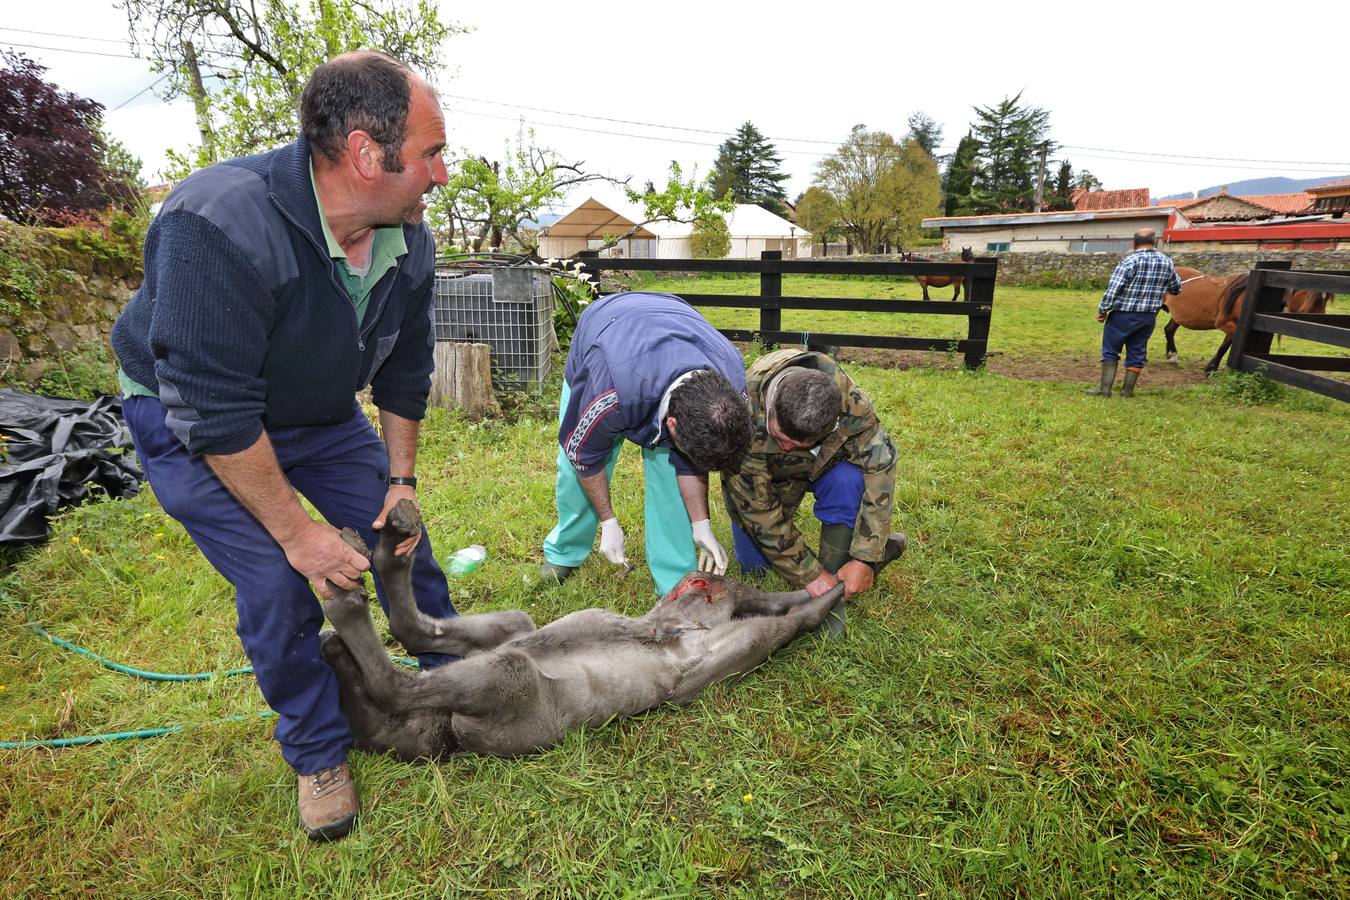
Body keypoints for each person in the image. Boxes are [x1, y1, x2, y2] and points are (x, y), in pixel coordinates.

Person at [110, 52, 453, 842]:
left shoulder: (410, 244)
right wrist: (298, 534)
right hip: (193, 424)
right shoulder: (215, 224)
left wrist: (399, 480)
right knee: (274, 579)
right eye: (431, 153)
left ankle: (449, 672)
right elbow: (216, 411)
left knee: (402, 534)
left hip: (316, 412)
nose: (440, 174)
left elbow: (405, 368)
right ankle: (316, 750)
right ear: (369, 155)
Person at [540, 291, 752, 594]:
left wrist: (700, 525)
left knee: (670, 480)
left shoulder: (731, 385)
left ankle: (675, 582)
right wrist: (608, 521)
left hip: (671, 321)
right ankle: (566, 549)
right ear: (672, 424)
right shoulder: (608, 390)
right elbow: (583, 455)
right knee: (576, 472)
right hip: (607, 328)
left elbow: (694, 457)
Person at [722, 349, 904, 636]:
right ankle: (826, 581)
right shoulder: (742, 411)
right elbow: (755, 506)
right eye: (781, 438)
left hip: (825, 469)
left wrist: (865, 558)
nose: (787, 447)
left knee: (848, 479)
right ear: (770, 411)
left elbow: (880, 472)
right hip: (768, 482)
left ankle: (834, 585)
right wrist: (809, 572)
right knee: (755, 567)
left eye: (799, 442)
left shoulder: (851, 403)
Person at [1089, 228, 1182, 398]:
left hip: (1123, 314)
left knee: (1111, 350)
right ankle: (1127, 391)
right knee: (1137, 351)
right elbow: (1176, 288)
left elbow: (1114, 289)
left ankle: (1105, 389)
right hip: (1148, 317)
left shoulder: (1129, 261)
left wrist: (1103, 310)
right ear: (1155, 242)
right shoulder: (1166, 262)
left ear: (1133, 243)